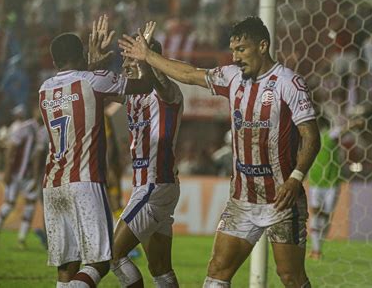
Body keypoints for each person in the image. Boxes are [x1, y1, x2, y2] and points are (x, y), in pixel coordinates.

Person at [119, 16, 321, 287]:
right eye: (233, 50)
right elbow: (189, 73)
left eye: (242, 50)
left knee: (291, 277)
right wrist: (147, 56)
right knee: (216, 272)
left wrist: (296, 178)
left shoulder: (288, 83)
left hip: (282, 199)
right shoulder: (232, 77)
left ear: (263, 46)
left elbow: (311, 137)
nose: (236, 57)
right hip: (242, 199)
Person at [38, 15, 154, 287]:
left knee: (68, 264)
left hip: (52, 184)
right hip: (84, 181)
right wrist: (144, 57)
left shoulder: (44, 89)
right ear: (81, 53)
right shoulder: (94, 81)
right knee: (101, 261)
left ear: (54, 62)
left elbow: (77, 81)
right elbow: (144, 86)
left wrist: (92, 62)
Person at [108, 27, 184, 287]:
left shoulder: (167, 91)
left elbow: (159, 82)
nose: (126, 65)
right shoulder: (133, 92)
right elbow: (99, 90)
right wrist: (93, 61)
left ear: (149, 59)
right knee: (160, 267)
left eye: (132, 59)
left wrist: (147, 59)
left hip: (155, 186)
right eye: (126, 59)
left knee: (113, 255)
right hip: (151, 185)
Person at [307, 116, 363, 260]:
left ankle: (317, 248)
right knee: (317, 215)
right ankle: (316, 250)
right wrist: (354, 123)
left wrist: (353, 124)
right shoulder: (312, 139)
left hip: (329, 182)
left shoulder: (325, 136)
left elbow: (340, 131)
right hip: (318, 182)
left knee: (324, 216)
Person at [0, 105, 41, 249]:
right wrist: (7, 171)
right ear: (35, 111)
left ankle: (21, 240)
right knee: (9, 204)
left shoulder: (44, 130)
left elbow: (38, 156)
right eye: (40, 109)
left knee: (30, 205)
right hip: (16, 173)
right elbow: (11, 148)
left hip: (30, 176)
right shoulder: (25, 127)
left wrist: (37, 177)